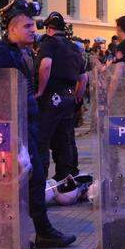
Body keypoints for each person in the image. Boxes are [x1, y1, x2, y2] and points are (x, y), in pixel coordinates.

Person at [0, 0, 76, 248]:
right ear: (13, 29)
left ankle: (23, 232)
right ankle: (31, 232)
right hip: (13, 129)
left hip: (29, 124)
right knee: (21, 180)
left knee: (30, 179)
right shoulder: (2, 50)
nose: (34, 30)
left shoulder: (26, 51)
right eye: (28, 26)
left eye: (34, 26)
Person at [36, 12, 86, 184]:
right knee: (65, 139)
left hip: (51, 97)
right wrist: (78, 98)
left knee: (42, 140)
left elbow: (45, 65)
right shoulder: (73, 47)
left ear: (48, 29)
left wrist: (40, 91)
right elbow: (83, 77)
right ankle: (67, 178)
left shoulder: (48, 44)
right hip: (69, 97)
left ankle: (39, 181)